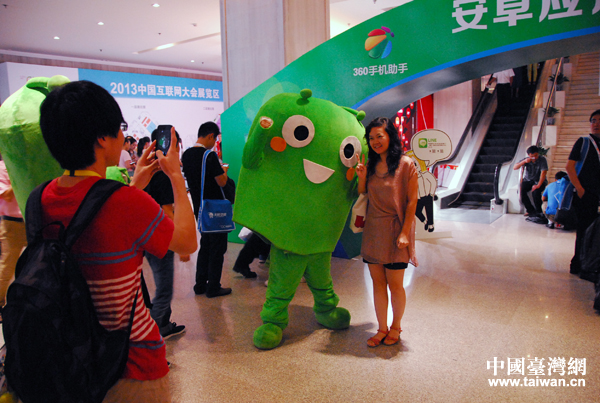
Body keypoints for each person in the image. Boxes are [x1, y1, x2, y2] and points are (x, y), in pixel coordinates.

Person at [39, 80, 197, 401]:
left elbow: (93, 217)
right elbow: (186, 243)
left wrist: (135, 184)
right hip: (131, 363)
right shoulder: (126, 202)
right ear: (101, 138)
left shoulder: (41, 198)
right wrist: (176, 177)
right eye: (120, 129)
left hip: (69, 358)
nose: (123, 138)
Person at [355, 117, 419, 347]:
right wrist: (362, 177)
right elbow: (363, 193)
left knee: (395, 284)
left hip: (395, 230)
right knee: (378, 283)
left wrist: (405, 233)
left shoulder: (406, 164)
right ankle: (381, 328)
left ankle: (396, 326)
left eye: (379, 136)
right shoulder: (371, 165)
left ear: (390, 136)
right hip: (373, 230)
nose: (375, 141)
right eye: (371, 138)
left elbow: (412, 202)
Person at [143, 128, 187, 340]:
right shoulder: (164, 175)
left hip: (147, 235)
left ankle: (165, 323)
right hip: (160, 238)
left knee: (162, 284)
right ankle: (156, 328)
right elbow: (167, 211)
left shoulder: (148, 170)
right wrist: (181, 244)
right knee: (164, 289)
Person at [182, 121, 231, 298]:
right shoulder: (209, 155)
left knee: (205, 244)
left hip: (199, 207)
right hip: (215, 208)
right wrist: (224, 170)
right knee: (217, 247)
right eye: (215, 138)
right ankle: (213, 287)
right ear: (210, 136)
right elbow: (221, 182)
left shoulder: (186, 155)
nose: (215, 142)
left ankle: (200, 284)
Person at [566, 109, 600, 275]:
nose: (596, 124)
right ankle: (579, 264)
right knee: (584, 230)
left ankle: (591, 262)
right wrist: (580, 189)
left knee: (594, 231)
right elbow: (569, 167)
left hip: (597, 194)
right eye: (593, 120)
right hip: (585, 194)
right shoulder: (584, 142)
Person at [0, 155, 27, 318]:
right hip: (12, 222)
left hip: (29, 218)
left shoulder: (23, 165)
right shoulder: (3, 168)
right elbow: (7, 195)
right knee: (8, 265)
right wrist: (19, 178)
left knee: (32, 263)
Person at [513, 145, 548, 223]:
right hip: (528, 180)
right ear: (529, 155)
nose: (534, 158)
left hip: (539, 181)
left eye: (536, 155)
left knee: (536, 192)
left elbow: (543, 173)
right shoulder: (526, 160)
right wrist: (524, 162)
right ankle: (530, 210)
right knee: (521, 191)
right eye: (532, 156)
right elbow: (515, 167)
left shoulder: (542, 160)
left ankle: (539, 212)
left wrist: (538, 185)